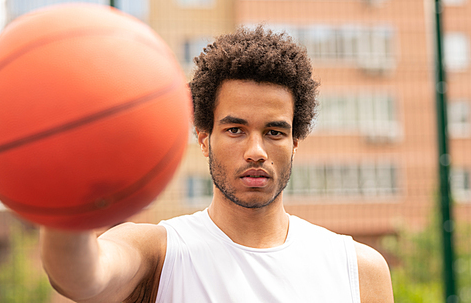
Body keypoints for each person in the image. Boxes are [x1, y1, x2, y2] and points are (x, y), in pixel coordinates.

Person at [40, 26, 394, 303]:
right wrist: (66, 181)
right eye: (235, 129)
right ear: (204, 138)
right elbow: (80, 277)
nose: (256, 150)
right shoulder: (159, 252)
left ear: (295, 143)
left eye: (274, 132)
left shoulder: (358, 269)